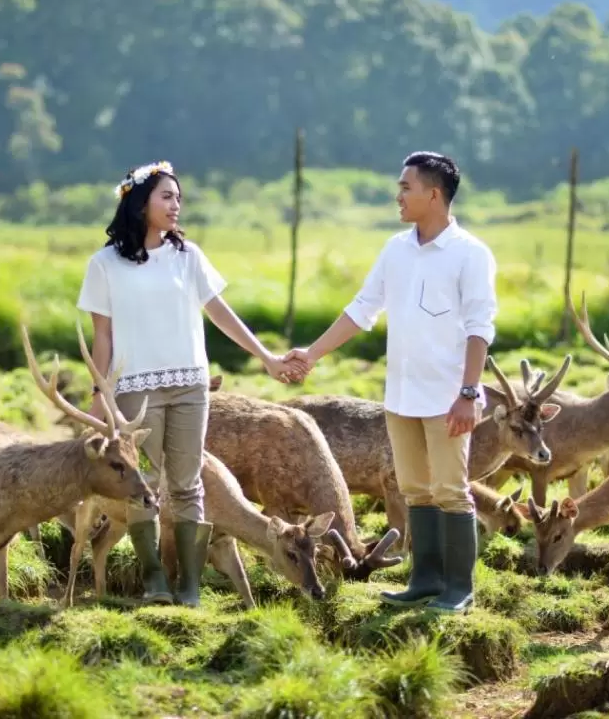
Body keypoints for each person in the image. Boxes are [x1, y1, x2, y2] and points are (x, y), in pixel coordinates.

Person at [76, 160, 306, 607]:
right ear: (141, 203)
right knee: (145, 483)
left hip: (190, 387)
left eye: (179, 197)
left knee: (186, 484)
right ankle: (154, 581)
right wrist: (100, 394)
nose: (176, 204)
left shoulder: (189, 256)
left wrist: (267, 358)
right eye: (167, 196)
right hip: (134, 390)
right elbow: (102, 336)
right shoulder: (103, 264)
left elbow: (220, 312)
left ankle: (190, 588)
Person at [284, 151, 497, 613]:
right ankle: (424, 581)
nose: (398, 195)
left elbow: (480, 327)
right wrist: (312, 354)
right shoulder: (395, 250)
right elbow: (362, 309)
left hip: (448, 399)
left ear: (434, 194)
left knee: (450, 490)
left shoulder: (470, 254)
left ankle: (459, 589)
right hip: (400, 397)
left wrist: (468, 393)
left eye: (406, 187)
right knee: (415, 490)